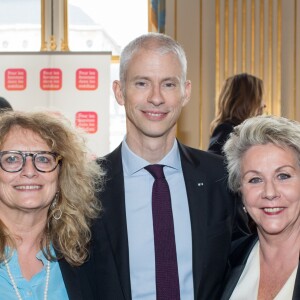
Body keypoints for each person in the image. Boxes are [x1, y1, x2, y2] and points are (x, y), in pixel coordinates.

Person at [92, 32, 249, 300]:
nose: (156, 98)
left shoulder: (220, 177)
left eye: (168, 84)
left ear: (185, 92)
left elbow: (245, 261)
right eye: (142, 83)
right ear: (119, 92)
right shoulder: (87, 186)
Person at [0, 111, 103, 299]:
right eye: (12, 159)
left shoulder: (85, 253)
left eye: (43, 159)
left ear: (61, 175)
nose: (29, 171)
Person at [221, 114, 300, 300]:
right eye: (255, 179)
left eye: (283, 176)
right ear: (240, 191)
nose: (270, 192)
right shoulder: (227, 259)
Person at [208, 73, 265, 156]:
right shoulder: (226, 131)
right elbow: (212, 164)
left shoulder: (247, 132)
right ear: (247, 101)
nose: (264, 104)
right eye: (260, 98)